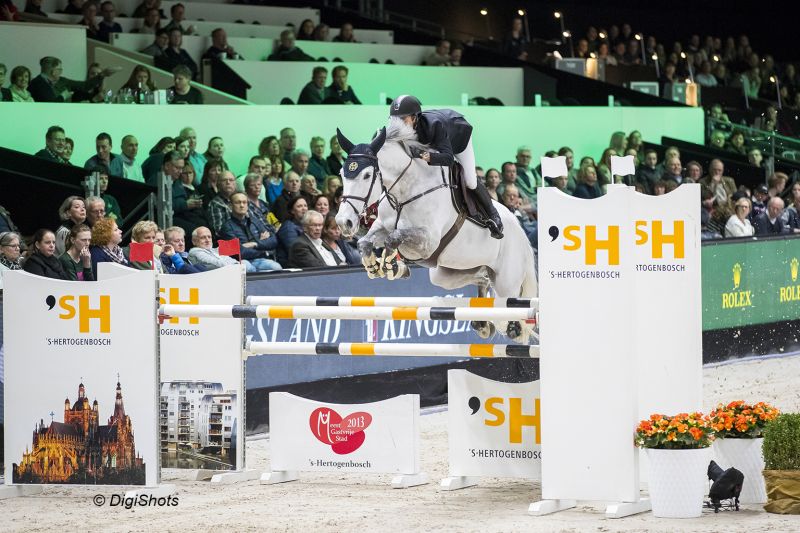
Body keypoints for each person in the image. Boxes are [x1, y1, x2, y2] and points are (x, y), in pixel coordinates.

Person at [388, 95, 503, 238]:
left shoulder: (434, 125)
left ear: (414, 117)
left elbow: (448, 158)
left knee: (470, 181)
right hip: (434, 142)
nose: (398, 123)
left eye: (403, 119)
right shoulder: (399, 128)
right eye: (395, 119)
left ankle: (493, 215)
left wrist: (424, 155)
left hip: (459, 137)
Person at [220, 193, 282, 271]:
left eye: (244, 202)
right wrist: (262, 250)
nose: (242, 205)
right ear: (230, 205)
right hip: (239, 261)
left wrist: (255, 244)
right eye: (238, 202)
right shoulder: (226, 227)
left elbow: (274, 241)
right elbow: (238, 252)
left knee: (276, 267)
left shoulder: (255, 221)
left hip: (259, 259)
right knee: (247, 268)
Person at [29, 56, 115, 103]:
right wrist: (63, 96)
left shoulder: (63, 81)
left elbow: (84, 86)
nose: (61, 72)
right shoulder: (37, 84)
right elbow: (50, 106)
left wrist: (102, 75)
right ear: (53, 71)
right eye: (60, 69)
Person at [276, 196, 307, 265]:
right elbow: (295, 251)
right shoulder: (288, 228)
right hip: (291, 266)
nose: (304, 208)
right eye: (299, 206)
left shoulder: (304, 225)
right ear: (292, 211)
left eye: (305, 206)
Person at [207, 170, 237, 237]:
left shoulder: (241, 199)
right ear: (218, 185)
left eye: (231, 180)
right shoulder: (215, 204)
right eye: (224, 180)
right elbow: (219, 232)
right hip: (231, 242)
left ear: (235, 184)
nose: (228, 182)